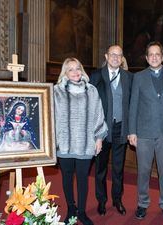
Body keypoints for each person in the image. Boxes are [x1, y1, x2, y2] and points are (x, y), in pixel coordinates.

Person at [128, 41, 163, 222]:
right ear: (147, 58)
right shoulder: (139, 77)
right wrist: (132, 131)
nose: (154, 57)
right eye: (151, 54)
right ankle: (142, 203)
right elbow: (133, 105)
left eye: (158, 54)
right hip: (144, 133)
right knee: (143, 171)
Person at [54, 57, 108, 225]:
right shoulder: (56, 91)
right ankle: (71, 209)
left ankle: (82, 212)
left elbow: (99, 115)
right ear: (65, 72)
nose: (75, 72)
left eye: (78, 68)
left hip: (86, 144)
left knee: (83, 178)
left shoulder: (91, 90)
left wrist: (99, 138)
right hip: (64, 143)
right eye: (70, 69)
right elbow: (49, 115)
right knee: (67, 178)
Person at [90, 45, 133, 216]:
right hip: (101, 129)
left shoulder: (129, 77)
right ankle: (101, 200)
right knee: (100, 168)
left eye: (119, 55)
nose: (116, 58)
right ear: (106, 56)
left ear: (122, 58)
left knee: (118, 168)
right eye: (113, 55)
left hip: (120, 128)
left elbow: (132, 103)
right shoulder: (96, 76)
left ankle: (117, 199)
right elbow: (90, 104)